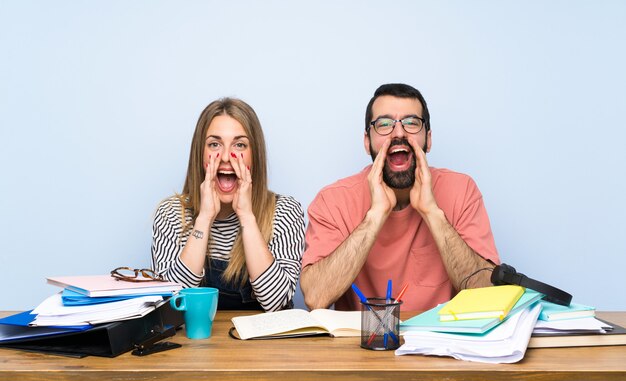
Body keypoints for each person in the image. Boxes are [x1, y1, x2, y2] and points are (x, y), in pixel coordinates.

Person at [300, 83, 500, 311]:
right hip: (361, 343)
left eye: (411, 123)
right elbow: (316, 297)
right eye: (384, 124)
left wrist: (432, 213)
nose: (399, 133)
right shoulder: (332, 201)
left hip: (440, 342)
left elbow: (487, 294)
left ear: (429, 139)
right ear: (367, 142)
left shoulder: (462, 190)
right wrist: (375, 216)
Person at [151, 97, 305, 312]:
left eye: (239, 145)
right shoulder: (170, 214)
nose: (225, 157)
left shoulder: (285, 212)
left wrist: (247, 218)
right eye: (214, 144)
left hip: (262, 344)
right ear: (200, 153)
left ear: (255, 156)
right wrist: (204, 220)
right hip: (196, 343)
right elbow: (171, 303)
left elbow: (275, 302)